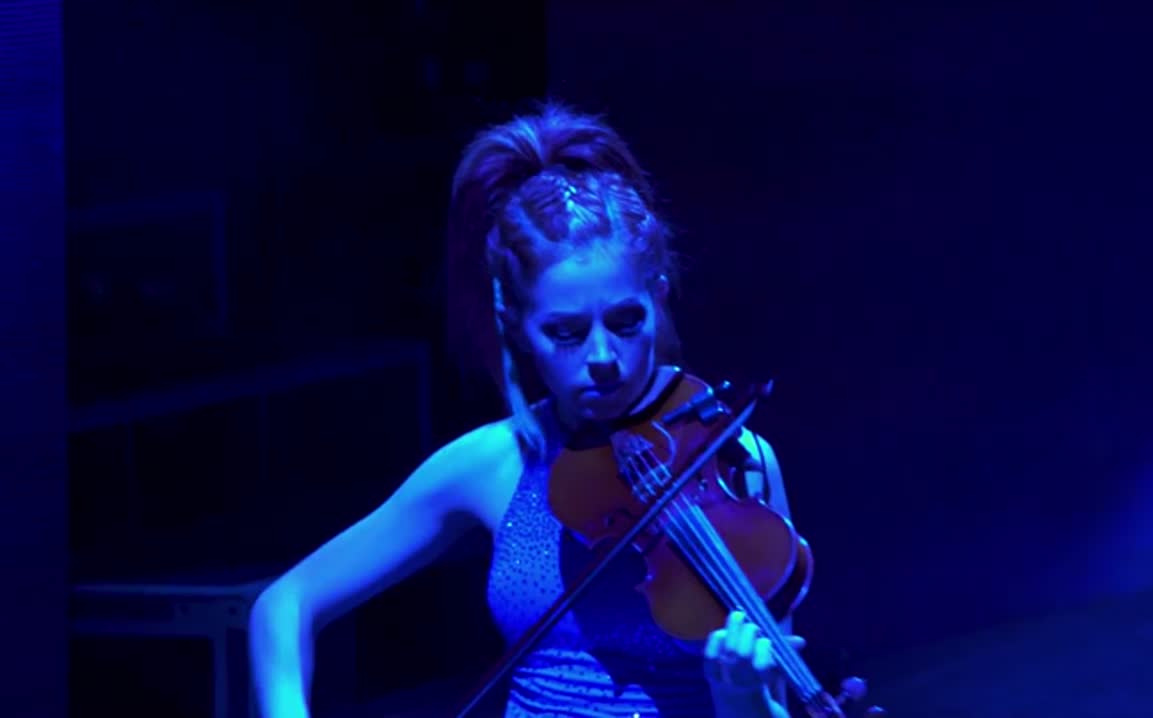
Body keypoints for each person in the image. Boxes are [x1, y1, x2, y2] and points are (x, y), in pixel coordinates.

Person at [249, 102, 809, 718]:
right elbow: (284, 606)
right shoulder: (498, 463)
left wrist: (743, 697)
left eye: (626, 321)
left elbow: (771, 703)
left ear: (658, 297)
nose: (604, 358)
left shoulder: (735, 463)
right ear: (515, 325)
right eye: (566, 333)